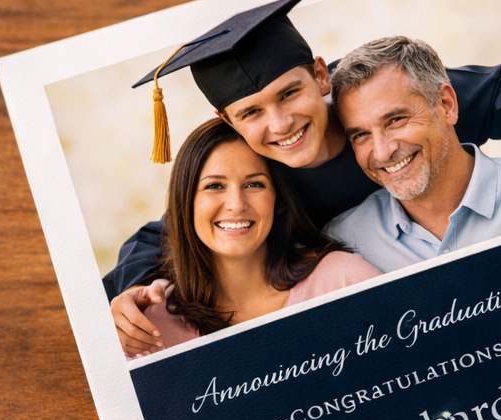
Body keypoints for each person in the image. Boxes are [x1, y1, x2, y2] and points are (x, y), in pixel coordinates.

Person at [103, 0, 501, 300]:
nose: (280, 123)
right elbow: (164, 238)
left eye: (289, 93)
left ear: (319, 74)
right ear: (225, 119)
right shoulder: (252, 176)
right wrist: (130, 297)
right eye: (250, 112)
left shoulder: (374, 100)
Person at [323, 36, 501, 273]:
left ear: (446, 105)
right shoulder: (343, 245)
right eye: (361, 135)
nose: (383, 151)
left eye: (396, 120)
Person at [116, 118, 381, 357]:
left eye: (254, 184)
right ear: (185, 203)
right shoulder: (147, 327)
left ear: (277, 199)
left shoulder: (343, 280)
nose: (236, 203)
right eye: (214, 186)